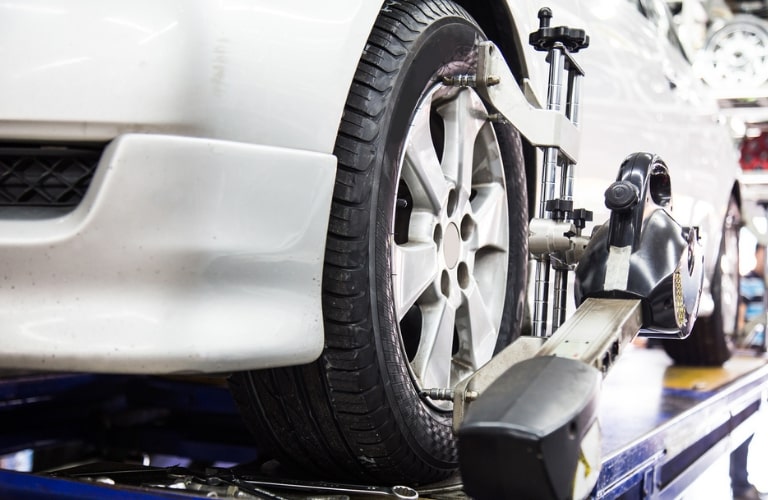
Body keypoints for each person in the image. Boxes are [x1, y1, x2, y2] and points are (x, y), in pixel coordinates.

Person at [731, 243, 766, 500]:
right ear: (757, 254)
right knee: (744, 424)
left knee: (752, 424)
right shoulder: (748, 282)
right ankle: (740, 485)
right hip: (746, 360)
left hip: (762, 361)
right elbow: (739, 319)